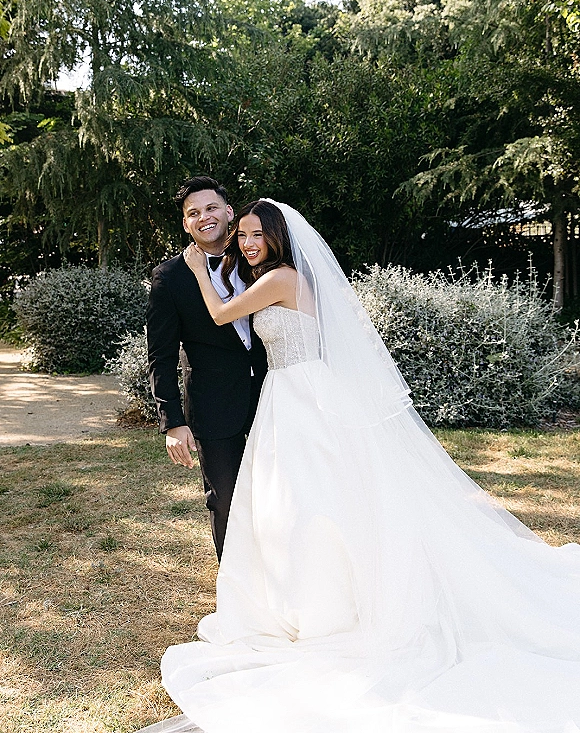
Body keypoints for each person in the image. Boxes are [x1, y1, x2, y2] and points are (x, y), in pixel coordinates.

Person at [160, 200, 580, 733]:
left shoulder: (282, 278)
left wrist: (198, 268)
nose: (246, 242)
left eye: (256, 233)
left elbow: (222, 314)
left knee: (309, 503)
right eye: (242, 234)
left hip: (301, 396)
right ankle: (305, 597)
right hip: (290, 395)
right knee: (301, 503)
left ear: (279, 236)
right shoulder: (276, 276)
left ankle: (325, 609)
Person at [146, 177, 267, 560]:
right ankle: (237, 590)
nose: (204, 217)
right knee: (226, 501)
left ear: (229, 212)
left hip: (273, 394)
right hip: (213, 405)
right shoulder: (170, 278)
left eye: (211, 208)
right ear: (185, 224)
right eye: (193, 213)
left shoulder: (259, 258)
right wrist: (173, 422)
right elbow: (160, 355)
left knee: (279, 493)